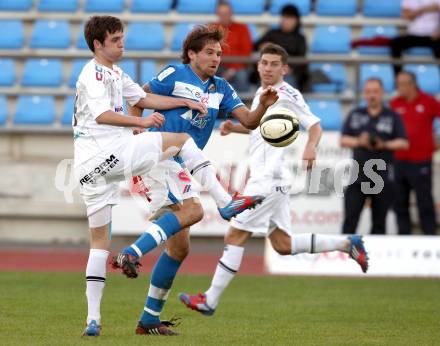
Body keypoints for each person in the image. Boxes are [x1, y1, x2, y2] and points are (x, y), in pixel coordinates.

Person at [76, 16, 264, 337]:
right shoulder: (174, 74)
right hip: (159, 159)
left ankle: (148, 320)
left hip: (176, 165)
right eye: (209, 52)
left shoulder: (223, 89)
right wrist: (137, 124)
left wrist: (266, 105)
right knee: (193, 210)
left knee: (179, 249)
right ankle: (136, 251)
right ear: (192, 54)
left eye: (218, 53)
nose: (215, 58)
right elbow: (140, 100)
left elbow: (249, 119)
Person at [177, 43, 369, 317]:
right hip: (272, 178)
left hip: (267, 179)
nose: (267, 68)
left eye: (273, 64)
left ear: (284, 68)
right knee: (283, 244)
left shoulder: (287, 94)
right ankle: (347, 244)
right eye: (264, 63)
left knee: (234, 234)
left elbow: (314, 124)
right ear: (258, 65)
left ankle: (209, 300)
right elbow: (267, 131)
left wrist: (311, 146)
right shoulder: (261, 93)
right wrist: (238, 129)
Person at [341, 78, 409, 235]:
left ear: (382, 93)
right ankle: (344, 257)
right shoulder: (355, 114)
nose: (372, 95)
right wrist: (359, 140)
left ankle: (374, 258)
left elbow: (403, 143)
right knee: (350, 220)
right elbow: (343, 139)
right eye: (368, 92)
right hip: (358, 177)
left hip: (382, 178)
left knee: (379, 224)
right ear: (364, 94)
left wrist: (383, 144)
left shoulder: (392, 116)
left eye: (375, 91)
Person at [390, 71, 440, 235]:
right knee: (400, 202)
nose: (399, 88)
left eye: (403, 84)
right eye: (398, 84)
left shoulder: (429, 101)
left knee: (424, 202)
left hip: (421, 161)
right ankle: (404, 238)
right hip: (399, 160)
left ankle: (431, 238)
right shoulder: (394, 104)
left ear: (413, 84)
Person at [255, 4, 308, 91]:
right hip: (270, 69)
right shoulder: (272, 33)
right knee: (263, 79)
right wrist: (263, 46)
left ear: (296, 21)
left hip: (289, 72)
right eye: (284, 18)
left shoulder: (300, 38)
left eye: (290, 18)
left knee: (288, 82)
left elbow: (301, 59)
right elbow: (257, 45)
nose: (286, 21)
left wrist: (287, 69)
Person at [390, 0, 440, 74]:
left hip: (434, 35)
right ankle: (398, 76)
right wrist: (424, 9)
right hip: (414, 34)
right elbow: (406, 15)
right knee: (396, 43)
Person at [214, 1, 252, 92]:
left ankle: (241, 104)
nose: (224, 17)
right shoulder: (212, 28)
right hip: (217, 65)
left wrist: (231, 70)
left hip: (238, 67)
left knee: (242, 77)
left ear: (231, 13)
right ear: (217, 14)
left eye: (226, 14)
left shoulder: (242, 28)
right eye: (222, 14)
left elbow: (246, 52)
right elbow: (208, 50)